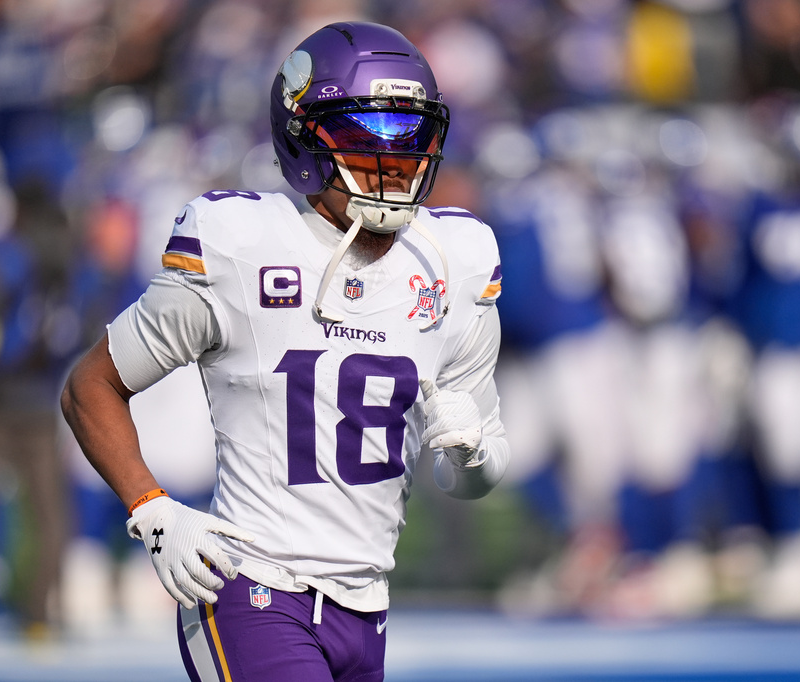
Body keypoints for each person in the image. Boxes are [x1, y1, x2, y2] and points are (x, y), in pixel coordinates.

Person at [60, 21, 509, 681]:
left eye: (409, 134)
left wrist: (469, 453)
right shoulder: (242, 245)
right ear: (305, 137)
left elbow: (475, 476)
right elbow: (91, 386)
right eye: (366, 134)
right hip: (253, 590)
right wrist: (151, 509)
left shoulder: (454, 261)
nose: (393, 159)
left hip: (367, 610)